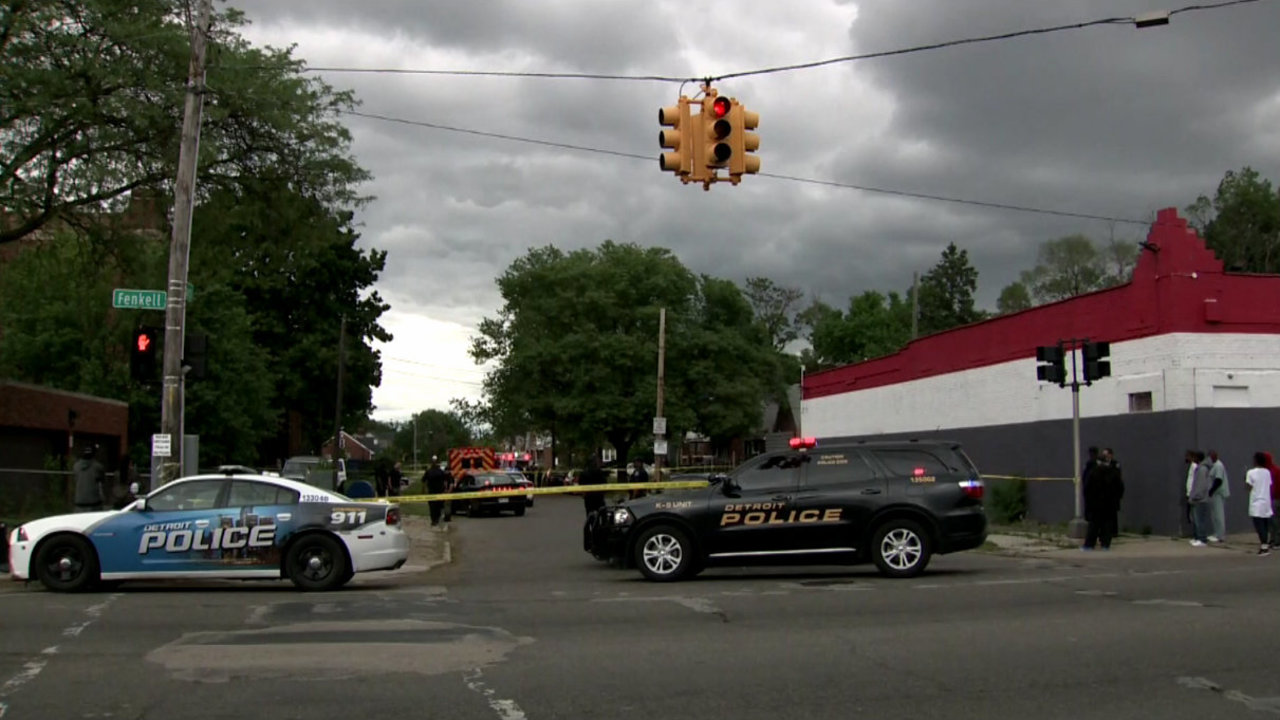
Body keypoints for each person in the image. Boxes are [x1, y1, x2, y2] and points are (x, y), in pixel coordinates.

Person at [1083, 448, 1124, 550]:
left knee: (1094, 525)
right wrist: (1116, 499)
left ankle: (1089, 545)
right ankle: (1105, 545)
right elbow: (1120, 488)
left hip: (1096, 504)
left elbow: (1087, 488)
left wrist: (1089, 501)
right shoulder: (1114, 473)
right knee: (1107, 525)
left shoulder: (1094, 473)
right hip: (1109, 504)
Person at [1244, 452, 1273, 556]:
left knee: (1259, 525)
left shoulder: (1251, 472)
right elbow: (1268, 485)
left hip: (1256, 502)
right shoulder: (1267, 472)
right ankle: (1265, 545)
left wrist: (1245, 480)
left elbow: (1248, 487)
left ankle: (1264, 547)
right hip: (1266, 501)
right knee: (1265, 525)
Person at [1187, 451, 1216, 547]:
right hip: (1200, 498)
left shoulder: (1202, 469)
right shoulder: (1201, 468)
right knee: (1197, 519)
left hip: (1200, 499)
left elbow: (1200, 485)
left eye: (1194, 457)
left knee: (1200, 520)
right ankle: (1198, 537)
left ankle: (1202, 539)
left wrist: (1195, 496)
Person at [72, 446, 107, 512]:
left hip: (79, 503)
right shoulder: (98, 467)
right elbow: (103, 481)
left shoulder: (76, 466)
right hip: (94, 504)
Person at [1207, 449, 1230, 543]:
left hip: (1218, 493)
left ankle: (1220, 535)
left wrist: (1211, 491)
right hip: (1215, 494)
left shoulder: (1218, 465)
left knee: (1218, 514)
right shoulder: (1214, 465)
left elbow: (1218, 480)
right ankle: (1216, 533)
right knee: (1214, 515)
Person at [422, 457, 452, 528]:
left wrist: (424, 489)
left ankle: (434, 520)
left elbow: (423, 481)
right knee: (438, 506)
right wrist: (445, 489)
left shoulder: (428, 471)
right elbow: (445, 480)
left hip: (432, 492)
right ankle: (436, 519)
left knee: (432, 507)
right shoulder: (440, 471)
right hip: (439, 492)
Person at [1264, 452, 1280, 548]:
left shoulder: (1271, 471)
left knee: (1274, 521)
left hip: (1274, 499)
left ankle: (1276, 541)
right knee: (1273, 521)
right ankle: (1274, 540)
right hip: (1272, 498)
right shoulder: (1274, 470)